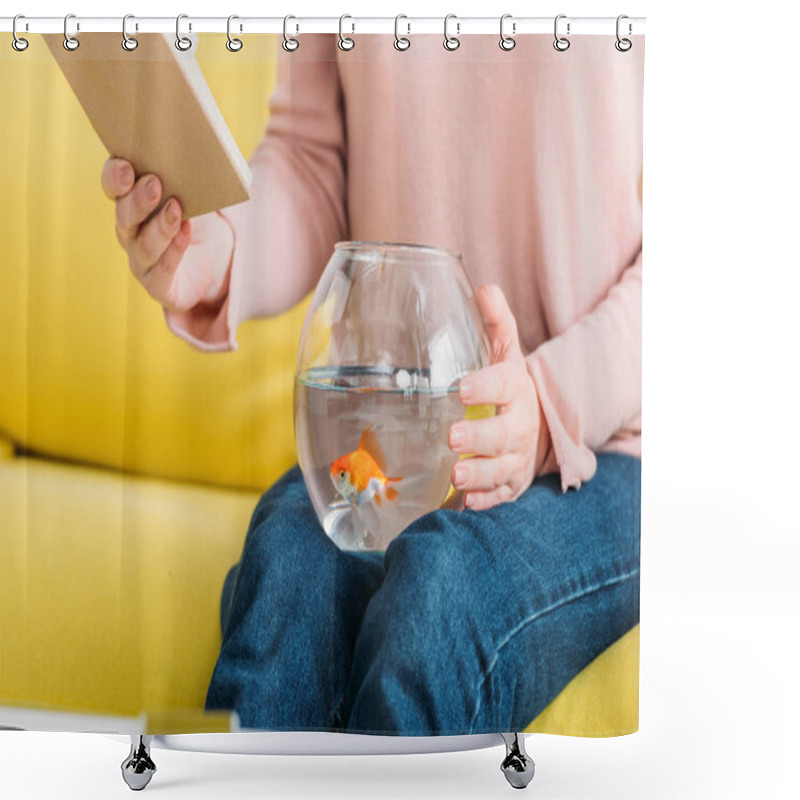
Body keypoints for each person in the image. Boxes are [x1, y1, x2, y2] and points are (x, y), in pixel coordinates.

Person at [101, 34, 642, 735]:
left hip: (606, 448)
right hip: (392, 437)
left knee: (441, 587)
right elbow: (310, 158)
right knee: (293, 557)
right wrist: (223, 246)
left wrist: (547, 403)